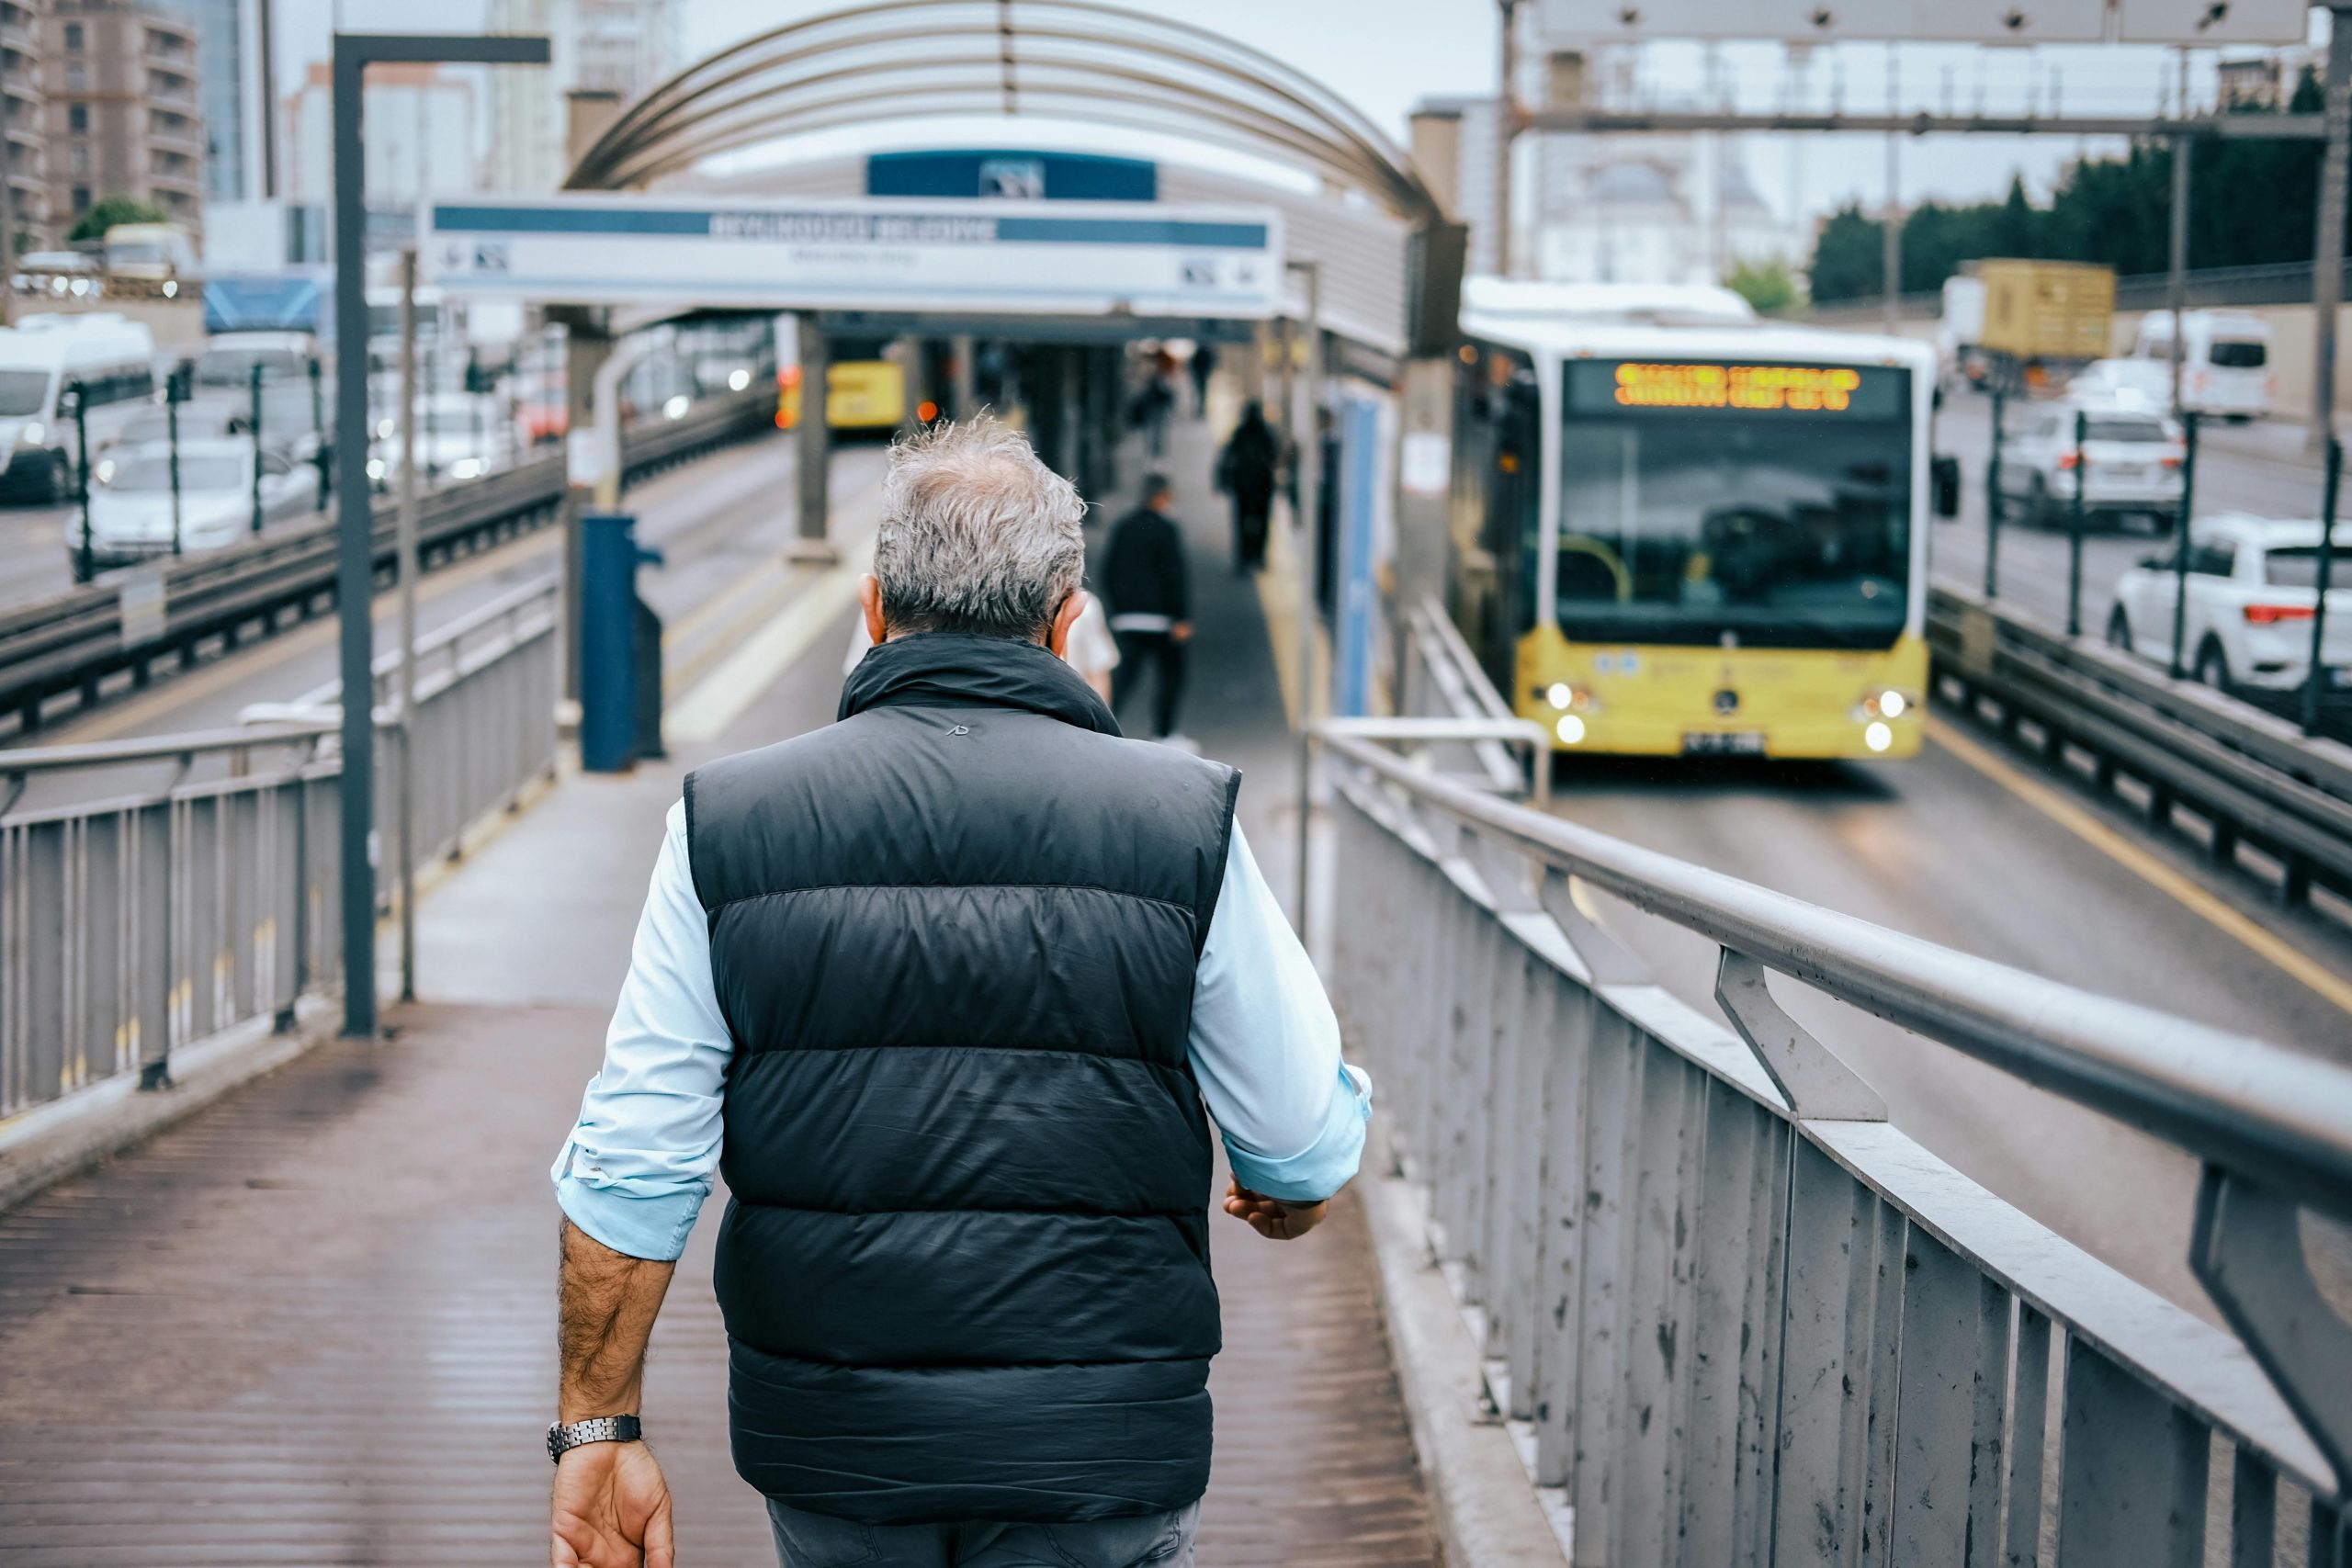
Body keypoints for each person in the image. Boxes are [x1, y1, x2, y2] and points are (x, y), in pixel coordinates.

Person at [547, 417, 1371, 1568]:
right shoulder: (1187, 821)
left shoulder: (725, 821)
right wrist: (1296, 1185)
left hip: (838, 1452)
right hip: (1099, 1454)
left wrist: (600, 1427)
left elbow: (634, 1163)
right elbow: (1294, 1137)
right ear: (1067, 620)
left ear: (874, 608)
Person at [845, 585, 1119, 701]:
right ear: (1062, 624)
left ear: (874, 612)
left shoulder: (889, 599)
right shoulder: (1084, 607)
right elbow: (1098, 673)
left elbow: (857, 674)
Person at [1102, 472, 1193, 743]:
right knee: (1172, 676)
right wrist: (1181, 617)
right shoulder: (1168, 529)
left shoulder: (1122, 528)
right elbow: (1175, 575)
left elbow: (1109, 571)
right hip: (1162, 620)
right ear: (1162, 497)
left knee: (1123, 679)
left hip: (1127, 618)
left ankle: (1102, 730)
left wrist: (1118, 609)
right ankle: (1164, 733)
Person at [1216, 400, 1281, 573]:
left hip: (1242, 484)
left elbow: (1228, 455)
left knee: (1241, 521)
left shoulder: (1240, 432)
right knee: (1263, 522)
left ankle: (1243, 558)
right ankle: (1259, 556)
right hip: (1263, 485)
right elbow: (1275, 455)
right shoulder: (1267, 432)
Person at [1186, 344, 1216, 418]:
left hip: (1200, 376)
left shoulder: (1200, 354)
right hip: (1201, 376)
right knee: (1200, 393)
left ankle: (1199, 409)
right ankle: (1199, 409)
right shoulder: (1203, 354)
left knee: (1198, 393)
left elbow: (1192, 364)